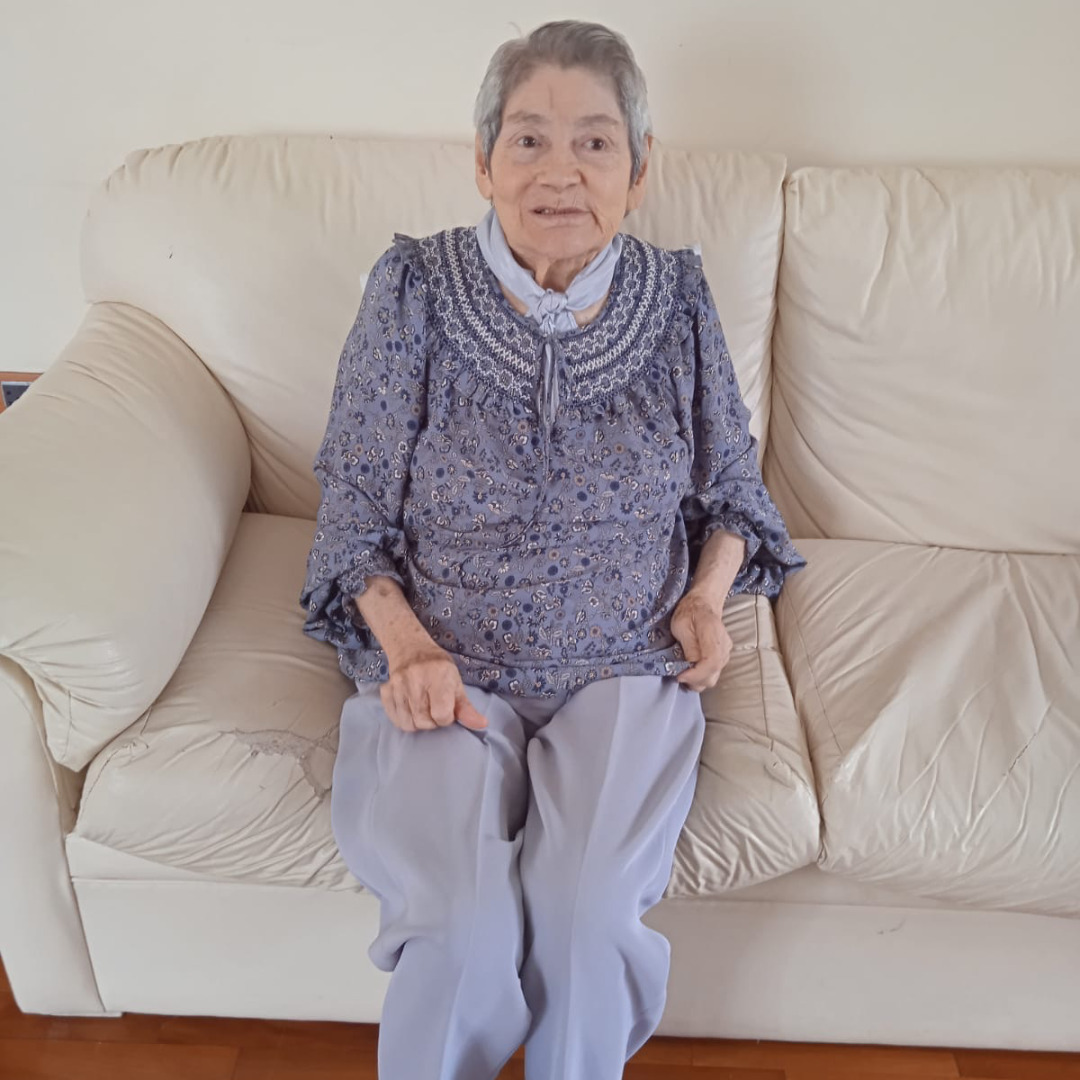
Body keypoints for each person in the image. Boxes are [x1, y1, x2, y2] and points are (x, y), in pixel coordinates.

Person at [300, 19, 804, 1080]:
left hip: (626, 661)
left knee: (586, 916)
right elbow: (352, 500)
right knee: (458, 923)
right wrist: (405, 644)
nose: (560, 171)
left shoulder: (677, 297)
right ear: (484, 163)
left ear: (639, 169)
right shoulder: (415, 287)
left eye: (595, 142)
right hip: (443, 664)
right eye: (528, 139)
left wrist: (706, 597)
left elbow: (732, 490)